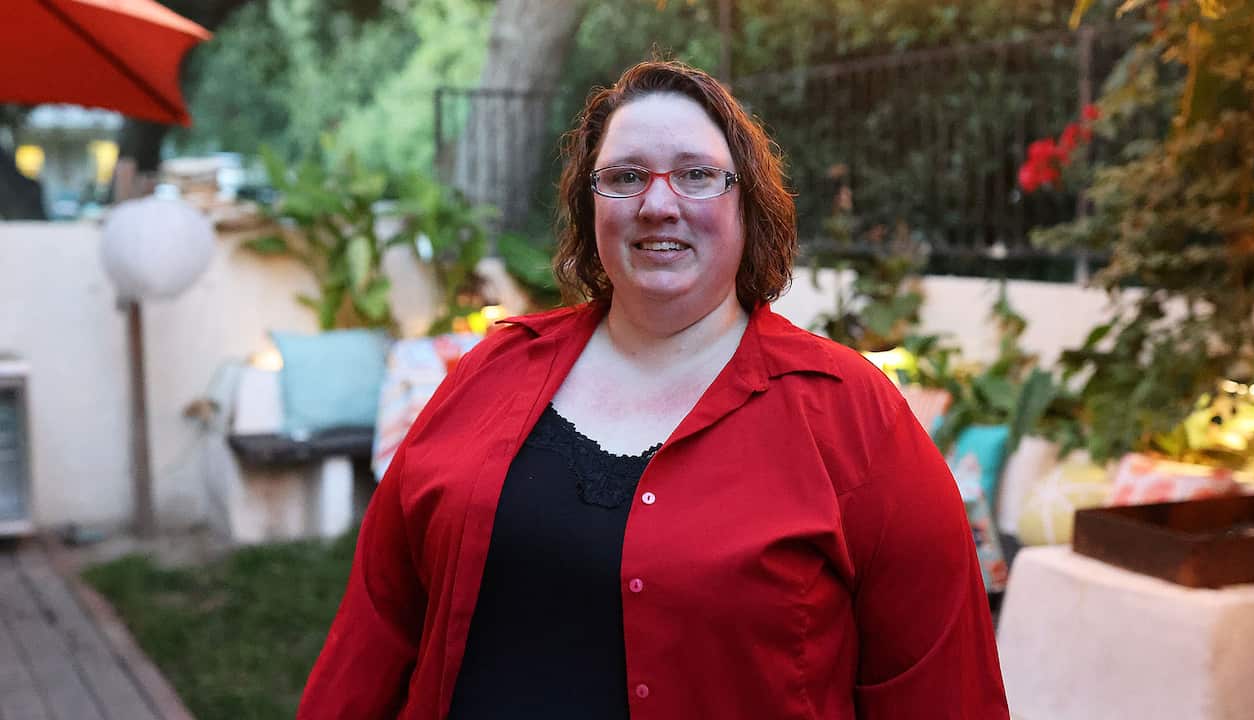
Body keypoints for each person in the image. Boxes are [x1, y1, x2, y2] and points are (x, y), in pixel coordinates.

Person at [298, 60, 1008, 719]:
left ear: (746, 205)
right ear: (590, 205)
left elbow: (940, 685)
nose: (658, 204)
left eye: (696, 175)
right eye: (626, 176)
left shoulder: (852, 412)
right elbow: (380, 624)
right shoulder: (492, 372)